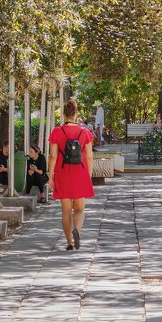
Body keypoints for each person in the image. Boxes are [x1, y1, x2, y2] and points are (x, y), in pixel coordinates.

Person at [49, 98, 94, 251]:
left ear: (63, 114)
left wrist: (50, 176)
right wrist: (88, 174)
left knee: (66, 211)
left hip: (63, 173)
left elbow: (53, 156)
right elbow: (89, 156)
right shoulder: (85, 132)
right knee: (80, 209)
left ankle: (69, 242)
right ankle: (77, 230)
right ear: (76, 114)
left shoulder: (56, 132)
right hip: (80, 173)